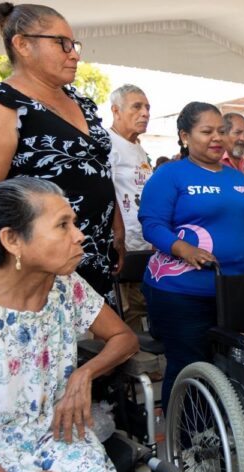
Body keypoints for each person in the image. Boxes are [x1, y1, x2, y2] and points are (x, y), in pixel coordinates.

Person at [0, 177, 138, 472]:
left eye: (73, 222)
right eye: (62, 225)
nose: (79, 235)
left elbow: (124, 338)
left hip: (58, 437)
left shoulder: (65, 285)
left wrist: (84, 374)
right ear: (12, 239)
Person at [138, 102, 244, 410]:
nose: (217, 138)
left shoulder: (238, 179)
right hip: (181, 294)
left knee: (231, 364)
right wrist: (183, 249)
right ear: (185, 136)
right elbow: (152, 224)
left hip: (234, 292)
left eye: (221, 131)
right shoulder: (170, 175)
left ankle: (221, 428)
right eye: (206, 131)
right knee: (190, 366)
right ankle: (182, 441)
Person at [0, 2, 121, 304]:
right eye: (62, 44)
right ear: (22, 44)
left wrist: (117, 227)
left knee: (102, 341)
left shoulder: (81, 101)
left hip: (96, 250)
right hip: (43, 264)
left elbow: (99, 166)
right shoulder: (5, 105)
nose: (74, 54)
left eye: (74, 44)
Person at [107, 84, 153, 332]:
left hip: (144, 245)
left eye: (147, 107)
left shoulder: (139, 149)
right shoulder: (107, 144)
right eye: (137, 107)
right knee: (119, 315)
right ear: (116, 111)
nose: (145, 113)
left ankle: (135, 364)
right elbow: (107, 192)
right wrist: (118, 237)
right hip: (121, 248)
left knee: (138, 310)